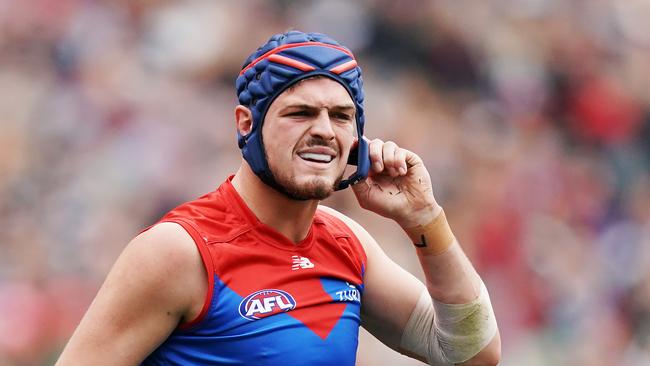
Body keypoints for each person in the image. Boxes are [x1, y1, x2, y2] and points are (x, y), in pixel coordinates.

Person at [56, 31, 501, 366]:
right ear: (246, 123)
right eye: (300, 112)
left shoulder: (347, 242)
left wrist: (425, 218)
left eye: (342, 116)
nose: (325, 130)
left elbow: (469, 352)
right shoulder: (180, 251)